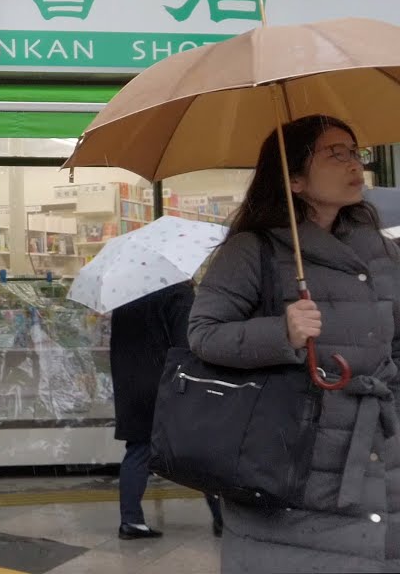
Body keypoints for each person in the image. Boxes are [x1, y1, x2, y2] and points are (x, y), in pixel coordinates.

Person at [189, 115, 400, 573]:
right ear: (295, 180)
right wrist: (280, 333)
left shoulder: (383, 253)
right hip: (290, 457)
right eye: (336, 154)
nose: (355, 165)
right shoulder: (253, 250)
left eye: (356, 152)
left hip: (378, 453)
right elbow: (204, 334)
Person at [109, 281, 223, 540]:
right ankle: (222, 518)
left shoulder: (126, 291)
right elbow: (186, 343)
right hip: (167, 382)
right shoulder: (177, 290)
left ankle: (131, 521)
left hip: (130, 383)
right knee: (202, 448)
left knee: (138, 449)